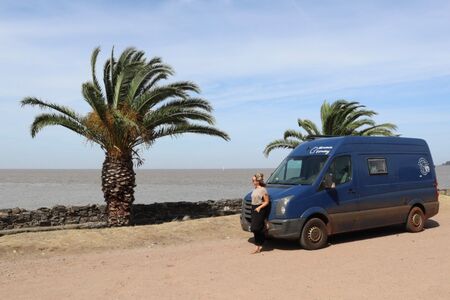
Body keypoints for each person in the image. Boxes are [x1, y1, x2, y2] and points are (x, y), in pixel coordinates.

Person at [250, 172, 270, 254]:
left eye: (254, 180)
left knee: (256, 228)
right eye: (252, 180)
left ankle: (257, 246)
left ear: (258, 181)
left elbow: (267, 202)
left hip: (260, 209)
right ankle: (258, 246)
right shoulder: (254, 189)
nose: (253, 182)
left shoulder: (263, 190)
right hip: (253, 208)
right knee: (254, 229)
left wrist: (259, 207)